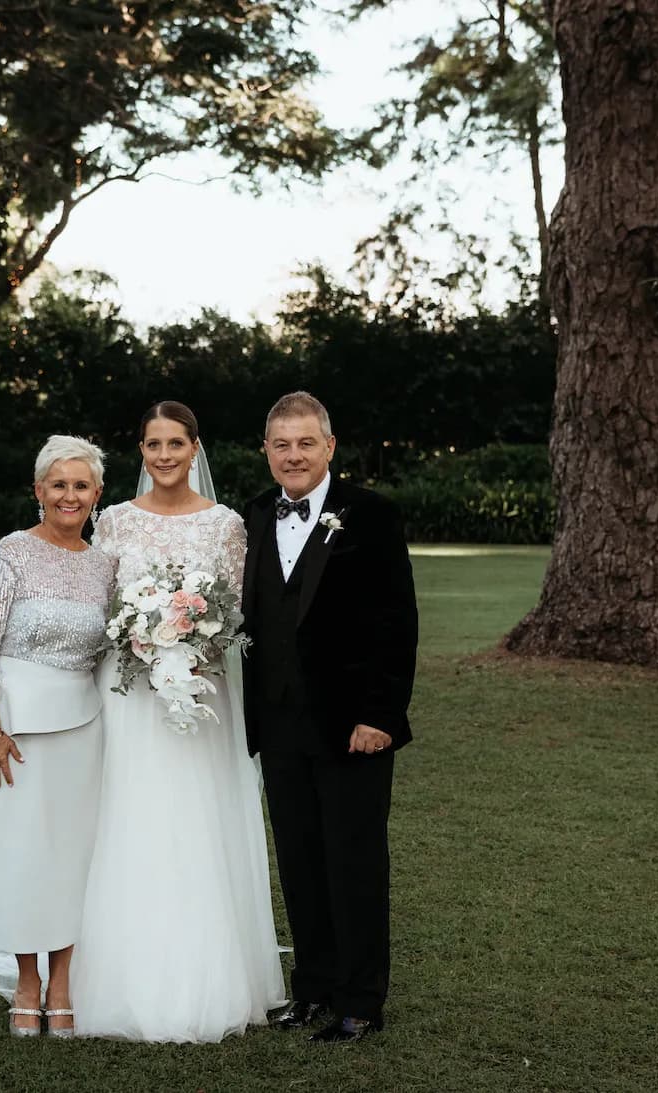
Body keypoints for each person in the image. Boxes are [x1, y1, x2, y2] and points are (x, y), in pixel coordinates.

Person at [69, 401, 286, 1042]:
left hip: (203, 696)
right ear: (140, 450)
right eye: (153, 444)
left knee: (199, 819)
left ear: (196, 448)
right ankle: (119, 968)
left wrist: (193, 644)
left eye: (175, 443)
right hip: (130, 695)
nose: (164, 455)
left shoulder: (225, 525)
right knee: (131, 817)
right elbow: (97, 604)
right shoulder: (113, 523)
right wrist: (141, 637)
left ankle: (211, 971)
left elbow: (242, 610)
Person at [240, 390, 418, 1045]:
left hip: (353, 726)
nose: (293, 454)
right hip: (278, 723)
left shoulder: (371, 514)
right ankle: (312, 987)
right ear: (266, 450)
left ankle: (361, 1000)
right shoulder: (256, 515)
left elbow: (396, 622)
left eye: (305, 442)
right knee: (301, 862)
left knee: (355, 862)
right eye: (281, 444)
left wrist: (380, 713)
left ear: (329, 447)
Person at [0, 435, 115, 1038]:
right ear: (39, 491)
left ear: (97, 495)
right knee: (18, 855)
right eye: (58, 484)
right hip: (10, 731)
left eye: (81, 485)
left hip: (83, 727)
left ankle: (65, 982)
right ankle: (26, 981)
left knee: (76, 856)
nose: (68, 495)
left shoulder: (106, 565)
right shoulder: (12, 552)